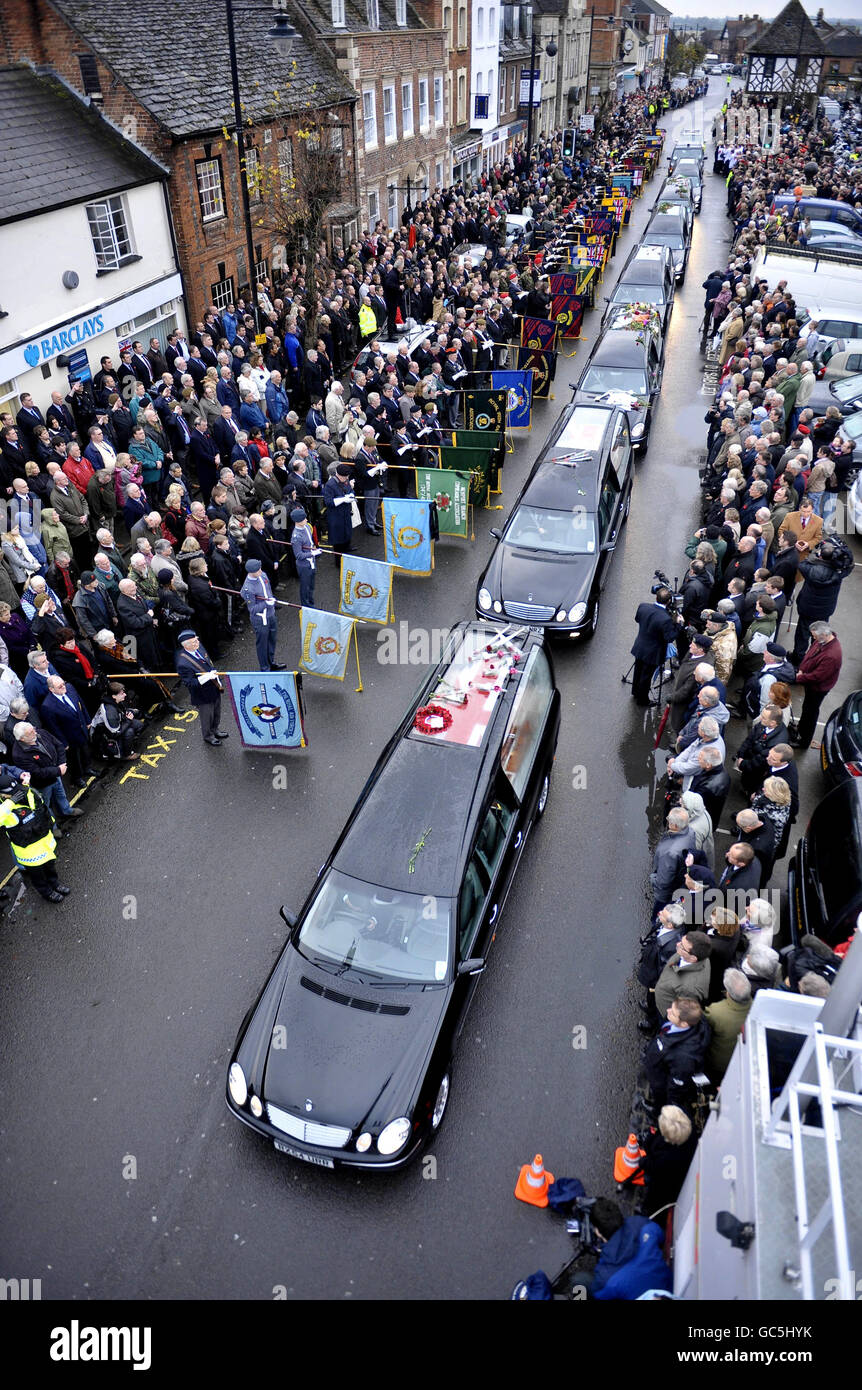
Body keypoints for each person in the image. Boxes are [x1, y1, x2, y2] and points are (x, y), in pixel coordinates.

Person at [0, 768, 70, 902]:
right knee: (38, 877)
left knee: (50, 868)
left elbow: (37, 803)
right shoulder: (5, 811)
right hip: (30, 853)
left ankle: (55, 883)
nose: (17, 794)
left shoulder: (23, 792)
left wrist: (25, 784)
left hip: (45, 843)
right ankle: (47, 892)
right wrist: (11, 802)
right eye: (11, 794)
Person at [640, 997, 711, 1114]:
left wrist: (666, 1099)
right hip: (658, 1065)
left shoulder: (685, 1057)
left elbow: (675, 1086)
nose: (668, 1011)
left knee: (661, 1101)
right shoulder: (682, 1023)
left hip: (661, 1081)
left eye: (672, 1012)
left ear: (684, 1023)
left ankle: (657, 1112)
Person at [10, 720, 83, 828]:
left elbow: (58, 746)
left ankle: (67, 810)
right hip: (42, 784)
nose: (35, 733)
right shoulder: (19, 755)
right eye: (30, 733)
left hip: (56, 774)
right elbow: (36, 772)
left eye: (33, 729)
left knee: (61, 795)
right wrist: (58, 770)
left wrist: (61, 764)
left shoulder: (41, 733)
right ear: (22, 739)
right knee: (45, 805)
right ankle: (52, 826)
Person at [791, 621, 842, 749]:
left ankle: (804, 741)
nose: (813, 638)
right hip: (810, 682)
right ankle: (801, 728)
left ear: (824, 634)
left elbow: (818, 676)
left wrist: (800, 677)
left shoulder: (832, 655)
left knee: (810, 713)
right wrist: (802, 668)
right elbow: (810, 654)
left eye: (815, 636)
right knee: (806, 709)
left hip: (817, 688)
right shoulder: (821, 641)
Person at [175, 630, 228, 747]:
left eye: (196, 640)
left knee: (216, 713)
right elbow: (190, 683)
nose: (197, 643)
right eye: (194, 642)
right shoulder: (183, 663)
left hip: (214, 686)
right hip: (202, 695)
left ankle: (215, 730)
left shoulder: (198, 647)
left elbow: (207, 661)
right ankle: (208, 736)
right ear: (186, 646)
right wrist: (206, 677)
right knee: (207, 717)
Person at [40, 675, 95, 788]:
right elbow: (53, 727)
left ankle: (88, 768)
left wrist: (88, 720)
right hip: (70, 737)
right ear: (51, 689)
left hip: (82, 729)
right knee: (75, 759)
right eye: (59, 687)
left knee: (85, 751)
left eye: (63, 684)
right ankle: (77, 778)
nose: (63, 687)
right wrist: (63, 743)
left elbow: (80, 704)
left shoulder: (69, 687)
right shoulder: (47, 706)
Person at [630, 588, 680, 706]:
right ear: (668, 601)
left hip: (640, 645)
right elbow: (670, 638)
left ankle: (635, 692)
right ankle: (642, 700)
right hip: (653, 651)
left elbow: (637, 619)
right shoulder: (665, 619)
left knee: (638, 670)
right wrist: (678, 624)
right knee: (646, 676)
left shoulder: (643, 607)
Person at [704, 968, 753, 1083]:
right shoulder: (758, 1008)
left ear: (728, 993)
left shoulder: (715, 1012)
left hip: (718, 1065)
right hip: (744, 1064)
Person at [651, 931, 712, 1022]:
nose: (677, 944)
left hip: (668, 1012)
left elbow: (683, 1013)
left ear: (693, 958)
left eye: (682, 946)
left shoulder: (691, 989)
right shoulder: (695, 956)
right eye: (681, 941)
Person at [240, 559, 285, 673]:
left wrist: (271, 601)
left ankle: (271, 662)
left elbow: (268, 591)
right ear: (251, 572)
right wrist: (266, 603)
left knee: (272, 640)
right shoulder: (248, 588)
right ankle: (265, 668)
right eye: (258, 570)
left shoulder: (263, 575)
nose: (260, 571)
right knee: (262, 644)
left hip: (271, 614)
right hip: (260, 619)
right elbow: (253, 609)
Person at [89, 683, 145, 762]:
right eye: (122, 693)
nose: (125, 694)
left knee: (139, 725)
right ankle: (127, 754)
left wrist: (128, 713)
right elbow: (114, 733)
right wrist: (128, 721)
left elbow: (121, 712)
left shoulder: (114, 701)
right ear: (114, 696)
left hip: (115, 726)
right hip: (103, 736)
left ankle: (127, 743)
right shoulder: (110, 712)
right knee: (129, 732)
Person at [290, 509, 320, 608]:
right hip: (304, 566)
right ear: (298, 521)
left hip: (312, 562)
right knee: (305, 588)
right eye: (304, 519)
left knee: (311, 586)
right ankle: (306, 607)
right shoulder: (296, 537)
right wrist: (312, 553)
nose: (306, 520)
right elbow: (298, 555)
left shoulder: (306, 527)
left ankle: (311, 603)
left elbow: (310, 542)